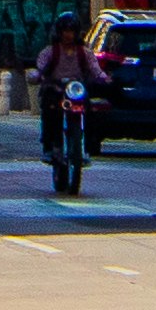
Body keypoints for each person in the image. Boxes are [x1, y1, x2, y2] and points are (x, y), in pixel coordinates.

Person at [36, 17, 96, 194]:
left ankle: (87, 147)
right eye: (65, 31)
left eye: (71, 31)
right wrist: (37, 75)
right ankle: (49, 146)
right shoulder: (50, 52)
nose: (68, 35)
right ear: (59, 33)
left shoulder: (85, 52)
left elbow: (95, 69)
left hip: (75, 91)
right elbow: (39, 68)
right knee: (49, 111)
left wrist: (104, 78)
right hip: (55, 90)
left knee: (90, 111)